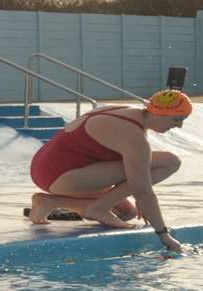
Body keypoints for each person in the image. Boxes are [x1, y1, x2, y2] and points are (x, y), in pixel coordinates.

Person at [28, 90, 190, 253]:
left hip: (45, 168)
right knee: (170, 162)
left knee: (126, 212)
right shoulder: (132, 134)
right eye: (177, 119)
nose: (179, 125)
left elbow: (135, 172)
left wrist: (140, 198)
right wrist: (165, 236)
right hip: (60, 174)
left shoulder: (131, 113)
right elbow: (142, 189)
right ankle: (98, 208)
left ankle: (51, 202)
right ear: (160, 113)